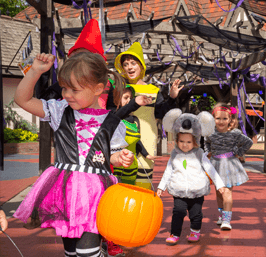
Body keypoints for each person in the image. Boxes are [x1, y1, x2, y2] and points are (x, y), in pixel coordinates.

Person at [12, 52, 150, 257]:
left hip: (95, 194)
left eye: (74, 89)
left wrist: (118, 158)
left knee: (87, 252)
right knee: (70, 252)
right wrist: (35, 72)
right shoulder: (59, 111)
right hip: (64, 193)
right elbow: (22, 100)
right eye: (65, 87)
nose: (67, 94)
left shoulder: (112, 122)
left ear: (98, 89)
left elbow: (107, 155)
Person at [114, 42, 184, 190]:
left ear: (141, 66)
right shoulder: (118, 89)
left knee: (143, 186)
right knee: (122, 186)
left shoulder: (153, 90)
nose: (129, 67)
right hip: (122, 142)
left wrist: (171, 97)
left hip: (147, 142)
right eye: (126, 64)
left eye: (133, 63)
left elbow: (160, 113)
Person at [157, 109, 226, 245]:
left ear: (195, 142)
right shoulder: (174, 154)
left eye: (188, 142)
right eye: (182, 141)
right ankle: (175, 233)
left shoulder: (200, 154)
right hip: (179, 189)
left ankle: (195, 231)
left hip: (196, 190)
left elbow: (210, 169)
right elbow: (168, 171)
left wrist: (220, 184)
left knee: (196, 214)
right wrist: (161, 186)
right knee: (178, 211)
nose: (185, 144)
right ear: (177, 140)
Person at [205, 103, 253, 231]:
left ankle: (227, 220)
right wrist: (208, 151)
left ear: (230, 120)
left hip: (228, 165)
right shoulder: (210, 132)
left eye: (225, 119)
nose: (221, 121)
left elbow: (248, 142)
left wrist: (239, 153)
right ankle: (221, 215)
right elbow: (206, 143)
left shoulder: (235, 133)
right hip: (215, 164)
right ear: (213, 118)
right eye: (218, 118)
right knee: (219, 192)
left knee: (227, 191)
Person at [112, 86, 159, 185]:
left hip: (132, 164)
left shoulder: (133, 119)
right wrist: (134, 103)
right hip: (117, 164)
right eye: (125, 97)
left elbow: (137, 139)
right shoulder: (113, 118)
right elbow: (118, 116)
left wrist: (146, 155)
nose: (128, 100)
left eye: (130, 98)